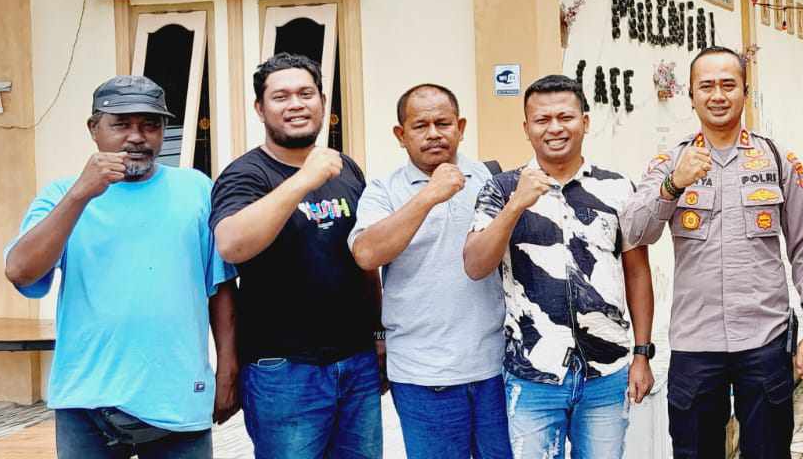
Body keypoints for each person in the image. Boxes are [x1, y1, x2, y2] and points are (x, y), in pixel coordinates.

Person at [4, 75, 238, 458]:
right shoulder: (61, 195)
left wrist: (228, 367)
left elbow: (221, 287)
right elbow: (20, 271)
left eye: (150, 125)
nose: (136, 137)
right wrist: (80, 194)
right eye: (121, 124)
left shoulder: (196, 189)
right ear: (93, 129)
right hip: (86, 402)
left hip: (176, 398)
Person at [620, 46, 803, 459]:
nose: (718, 95)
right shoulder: (670, 162)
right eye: (707, 86)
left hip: (765, 339)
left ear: (745, 92)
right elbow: (634, 231)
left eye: (728, 85)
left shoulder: (777, 159)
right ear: (691, 96)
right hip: (695, 344)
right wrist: (673, 185)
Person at [463, 74, 655, 459]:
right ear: (526, 128)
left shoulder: (617, 187)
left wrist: (642, 354)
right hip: (532, 374)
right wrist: (516, 205)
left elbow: (637, 272)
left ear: (585, 121)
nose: (554, 128)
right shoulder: (501, 189)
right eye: (542, 119)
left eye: (565, 117)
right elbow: (475, 264)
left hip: (606, 374)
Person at [211, 53, 383, 458]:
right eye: (281, 96)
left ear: (322, 101)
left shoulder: (345, 168)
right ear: (260, 108)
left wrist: (379, 334)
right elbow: (231, 245)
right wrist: (304, 179)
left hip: (356, 363)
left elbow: (365, 259)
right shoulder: (246, 174)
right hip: (283, 371)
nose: (296, 104)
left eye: (306, 94)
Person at [350, 83, 511, 459]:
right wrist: (428, 195)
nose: (434, 133)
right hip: (423, 374)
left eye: (443, 123)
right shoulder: (383, 190)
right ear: (400, 134)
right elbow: (367, 254)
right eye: (420, 125)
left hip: (497, 368)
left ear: (461, 127)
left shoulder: (493, 182)